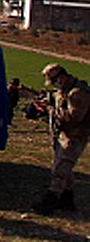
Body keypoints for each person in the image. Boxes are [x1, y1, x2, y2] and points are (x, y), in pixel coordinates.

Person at [31, 63, 90, 215]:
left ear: (61, 77)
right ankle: (66, 200)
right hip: (64, 134)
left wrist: (50, 110)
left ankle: (50, 201)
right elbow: (59, 100)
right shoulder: (65, 91)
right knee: (63, 167)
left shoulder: (77, 94)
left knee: (61, 168)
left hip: (76, 135)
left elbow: (74, 117)